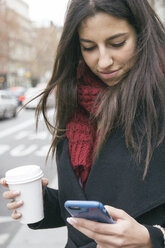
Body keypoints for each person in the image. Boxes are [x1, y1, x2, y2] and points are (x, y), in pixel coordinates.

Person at [1, 0, 165, 247]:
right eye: (89, 47)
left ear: (143, 34)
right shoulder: (76, 101)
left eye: (117, 43)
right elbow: (93, 201)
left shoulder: (159, 98)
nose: (103, 61)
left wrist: (153, 237)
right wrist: (42, 202)